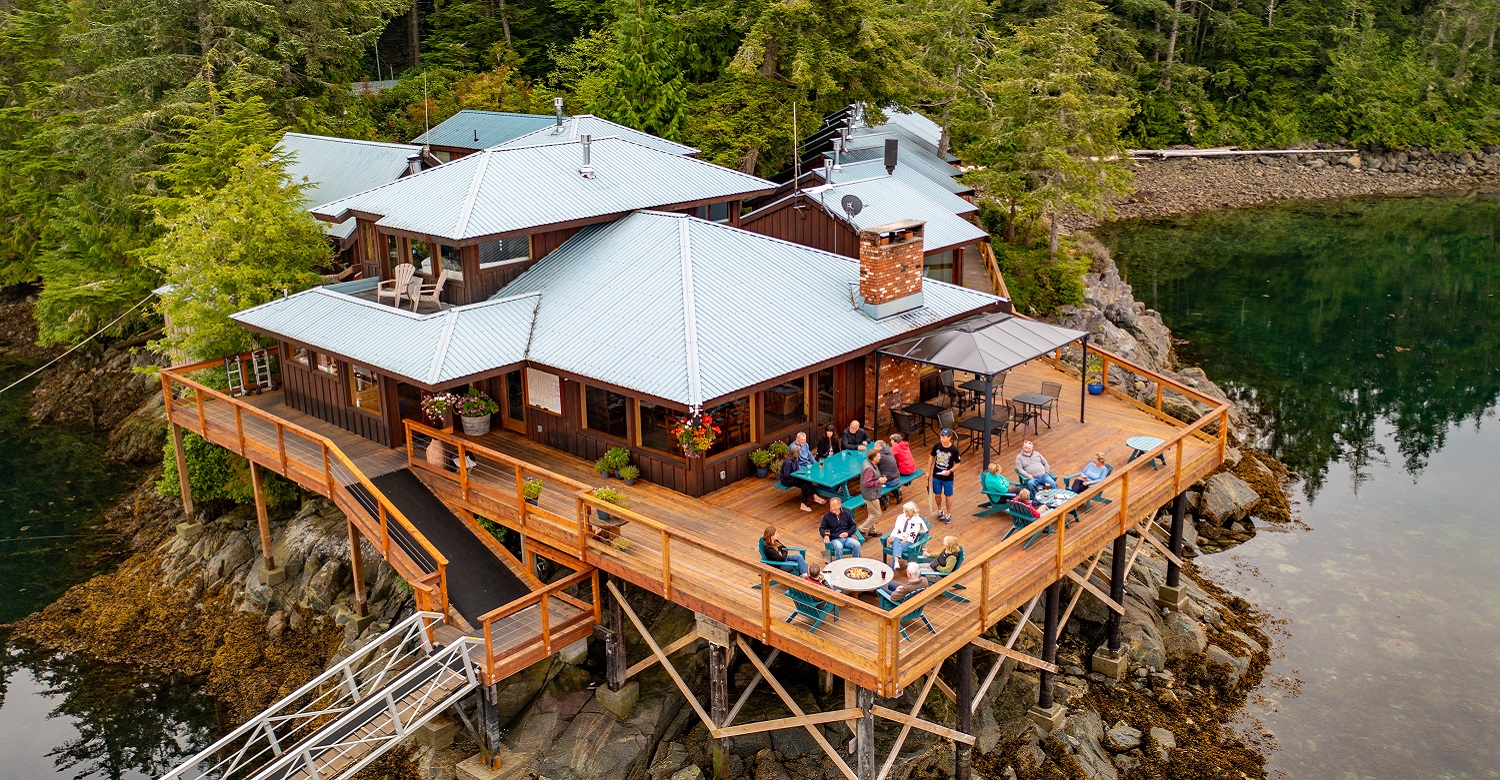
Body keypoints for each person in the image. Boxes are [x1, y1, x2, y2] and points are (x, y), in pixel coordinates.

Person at [929, 428, 962, 523]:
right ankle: (940, 509)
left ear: (949, 438)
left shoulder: (954, 450)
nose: (941, 439)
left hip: (948, 478)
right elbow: (932, 457)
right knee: (937, 494)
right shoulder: (937, 446)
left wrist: (950, 471)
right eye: (941, 437)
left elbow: (958, 463)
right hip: (937, 475)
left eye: (943, 438)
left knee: (948, 495)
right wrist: (928, 470)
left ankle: (948, 513)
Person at [886, 502, 929, 568]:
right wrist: (891, 537)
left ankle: (893, 566)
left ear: (914, 511)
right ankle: (896, 562)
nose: (907, 512)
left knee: (896, 547)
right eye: (905, 511)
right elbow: (896, 529)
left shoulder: (917, 521)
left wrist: (905, 540)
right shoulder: (901, 517)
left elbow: (913, 534)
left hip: (908, 543)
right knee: (896, 540)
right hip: (898, 539)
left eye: (908, 511)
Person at [858, 449, 886, 534]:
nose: (880, 457)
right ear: (874, 458)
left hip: (871, 492)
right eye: (878, 456)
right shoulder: (869, 469)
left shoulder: (868, 462)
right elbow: (866, 483)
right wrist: (879, 481)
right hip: (870, 494)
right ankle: (862, 529)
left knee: (871, 512)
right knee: (877, 513)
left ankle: (871, 531)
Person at [874, 439, 902, 504]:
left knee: (872, 482)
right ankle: (896, 491)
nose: (874, 448)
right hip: (897, 478)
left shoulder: (879, 457)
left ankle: (883, 497)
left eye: (875, 446)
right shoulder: (889, 452)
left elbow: (873, 466)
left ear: (879, 447)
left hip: (888, 481)